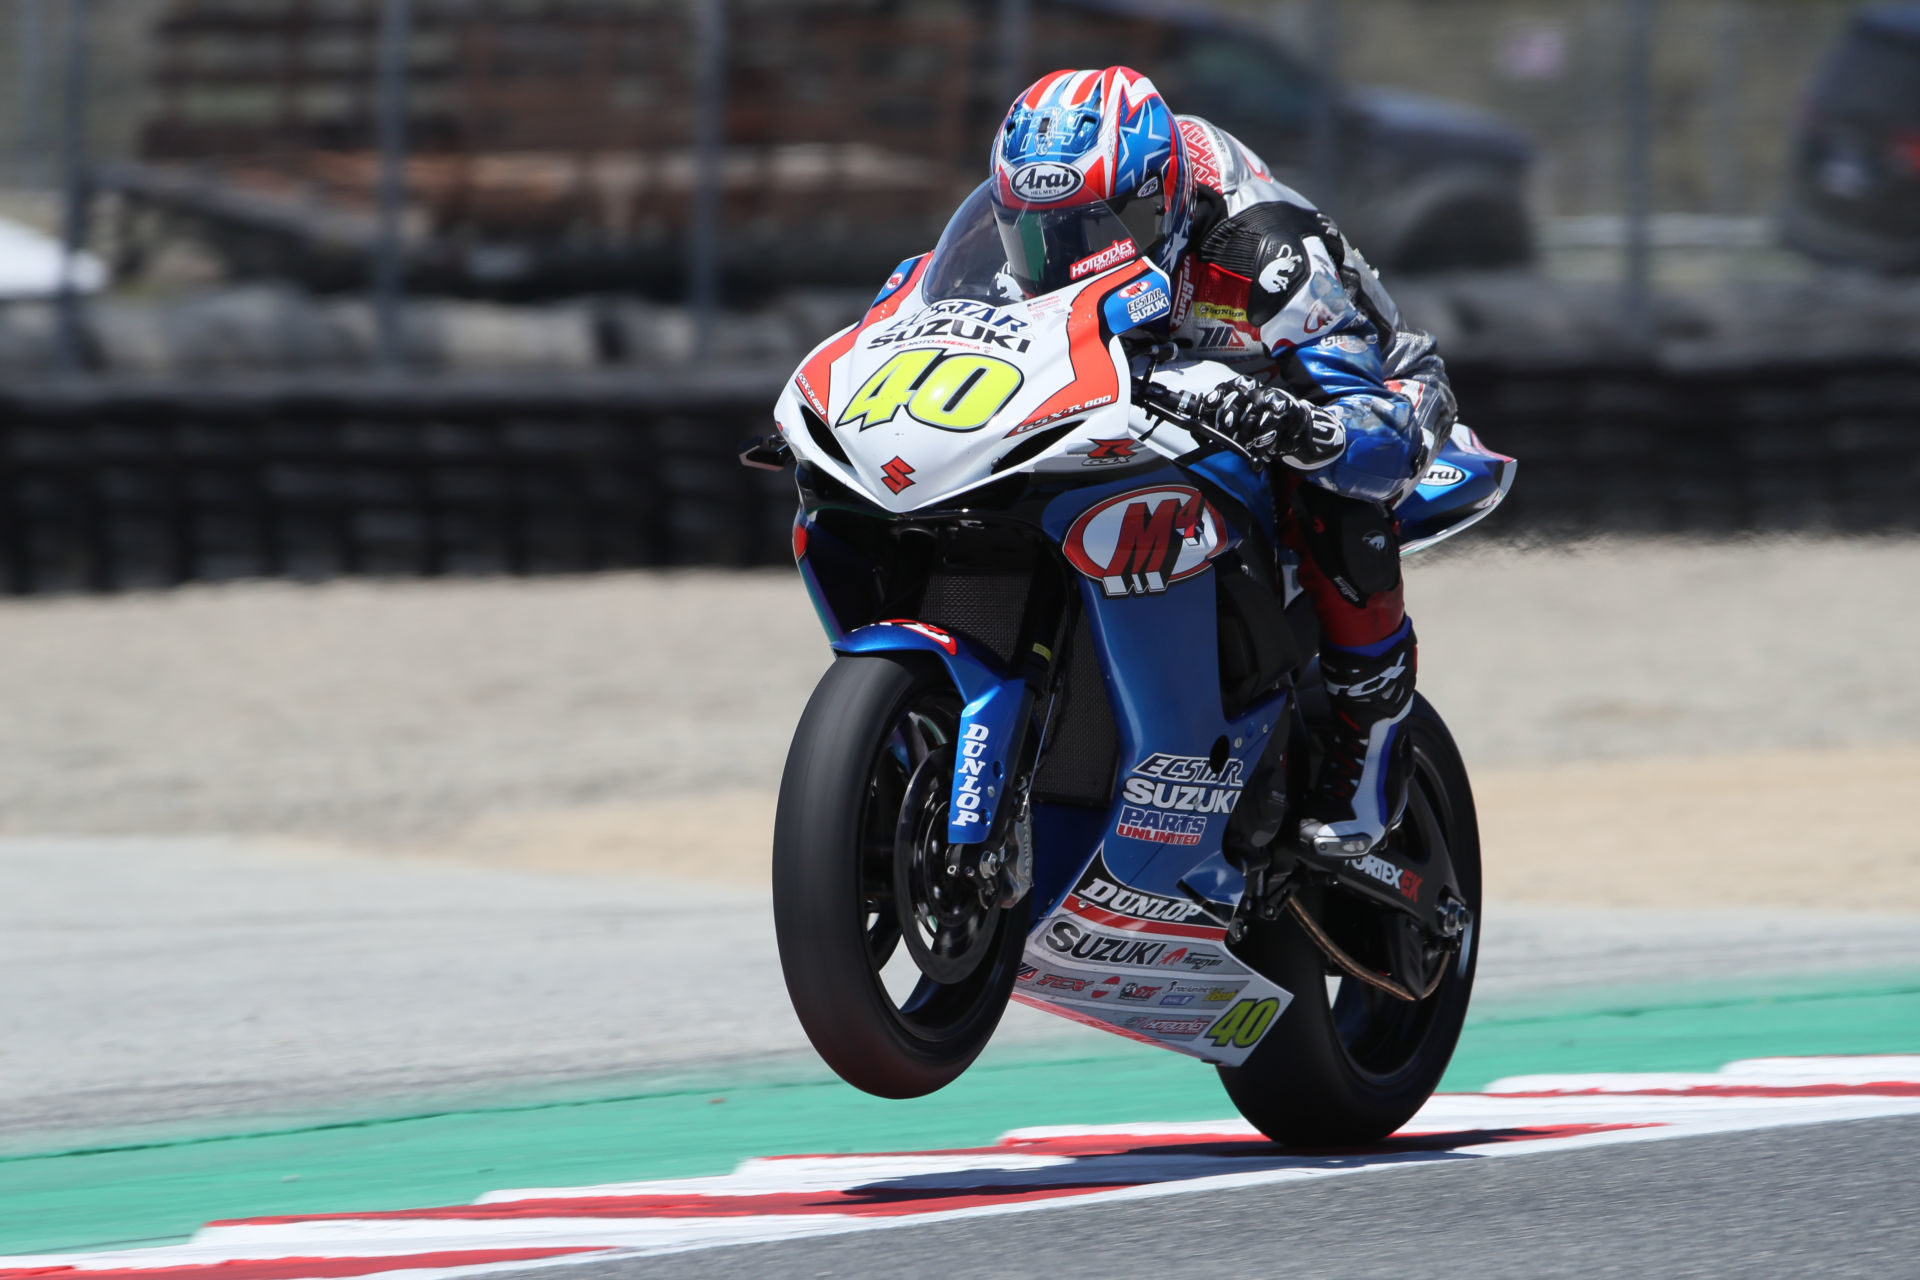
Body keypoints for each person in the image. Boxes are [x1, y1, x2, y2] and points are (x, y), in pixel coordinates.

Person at [991, 66, 1457, 859]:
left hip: (1338, 387)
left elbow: (1376, 427)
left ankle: (1370, 735)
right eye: (1038, 232)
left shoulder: (1263, 254)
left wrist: (1296, 424)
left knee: (1331, 483)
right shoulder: (1050, 241)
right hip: (1151, 377)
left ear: (1160, 203)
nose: (1066, 255)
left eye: (1096, 230)